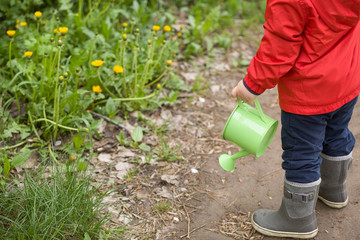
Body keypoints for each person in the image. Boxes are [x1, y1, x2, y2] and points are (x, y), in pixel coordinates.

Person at [231, 0, 360, 238]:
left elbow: (279, 47)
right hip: (347, 78)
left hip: (307, 93)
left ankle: (297, 219)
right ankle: (334, 190)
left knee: (302, 152)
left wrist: (252, 84)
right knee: (337, 133)